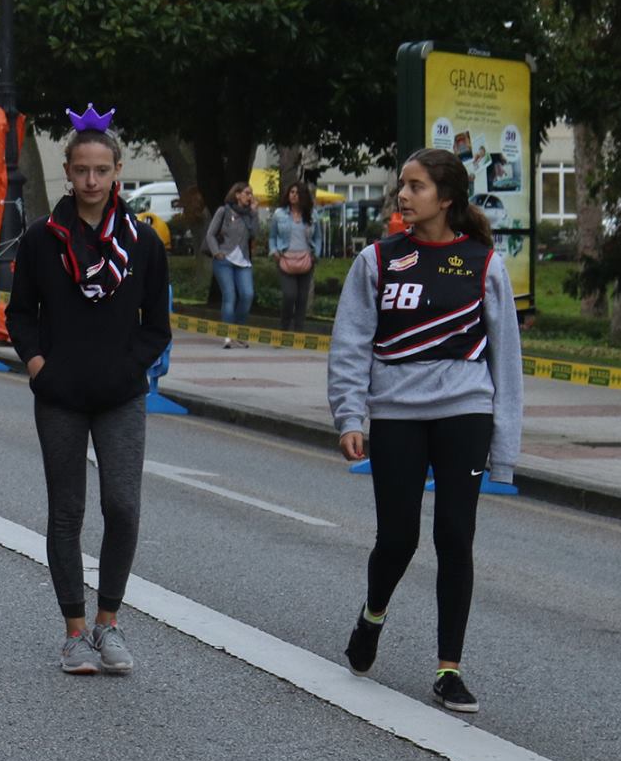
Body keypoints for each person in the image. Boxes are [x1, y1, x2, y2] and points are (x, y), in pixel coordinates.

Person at [329, 146, 522, 715]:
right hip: (396, 416)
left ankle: (449, 670)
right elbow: (350, 343)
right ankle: (372, 618)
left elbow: (506, 361)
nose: (404, 195)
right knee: (398, 538)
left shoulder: (485, 265)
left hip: (466, 412)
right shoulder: (378, 261)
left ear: (447, 198)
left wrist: (505, 449)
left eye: (416, 186)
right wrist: (349, 415)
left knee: (455, 537)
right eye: (402, 185)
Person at [4, 107, 171, 677]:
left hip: (121, 395)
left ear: (118, 171)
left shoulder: (142, 242)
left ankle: (109, 621)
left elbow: (157, 326)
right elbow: (20, 314)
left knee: (122, 507)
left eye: (102, 170)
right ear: (68, 173)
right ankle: (75, 632)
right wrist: (38, 365)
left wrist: (130, 368)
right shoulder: (41, 239)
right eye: (81, 170)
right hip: (60, 395)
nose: (92, 180)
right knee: (67, 512)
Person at [201, 182, 258, 346]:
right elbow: (210, 234)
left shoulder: (249, 214)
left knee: (247, 294)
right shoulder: (224, 211)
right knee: (229, 295)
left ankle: (239, 331)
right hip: (224, 259)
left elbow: (255, 233)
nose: (250, 196)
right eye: (247, 193)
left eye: (251, 193)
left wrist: (254, 213)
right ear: (237, 195)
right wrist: (216, 252)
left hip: (243, 260)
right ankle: (227, 334)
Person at [269, 180, 323, 333]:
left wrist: (316, 255)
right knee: (289, 295)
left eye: (297, 193)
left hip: (306, 260)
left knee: (302, 299)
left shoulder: (312, 215)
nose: (294, 195)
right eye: (292, 192)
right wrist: (274, 251)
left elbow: (318, 237)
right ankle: (284, 329)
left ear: (303, 196)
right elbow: (272, 236)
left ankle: (298, 332)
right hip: (285, 259)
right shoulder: (279, 214)